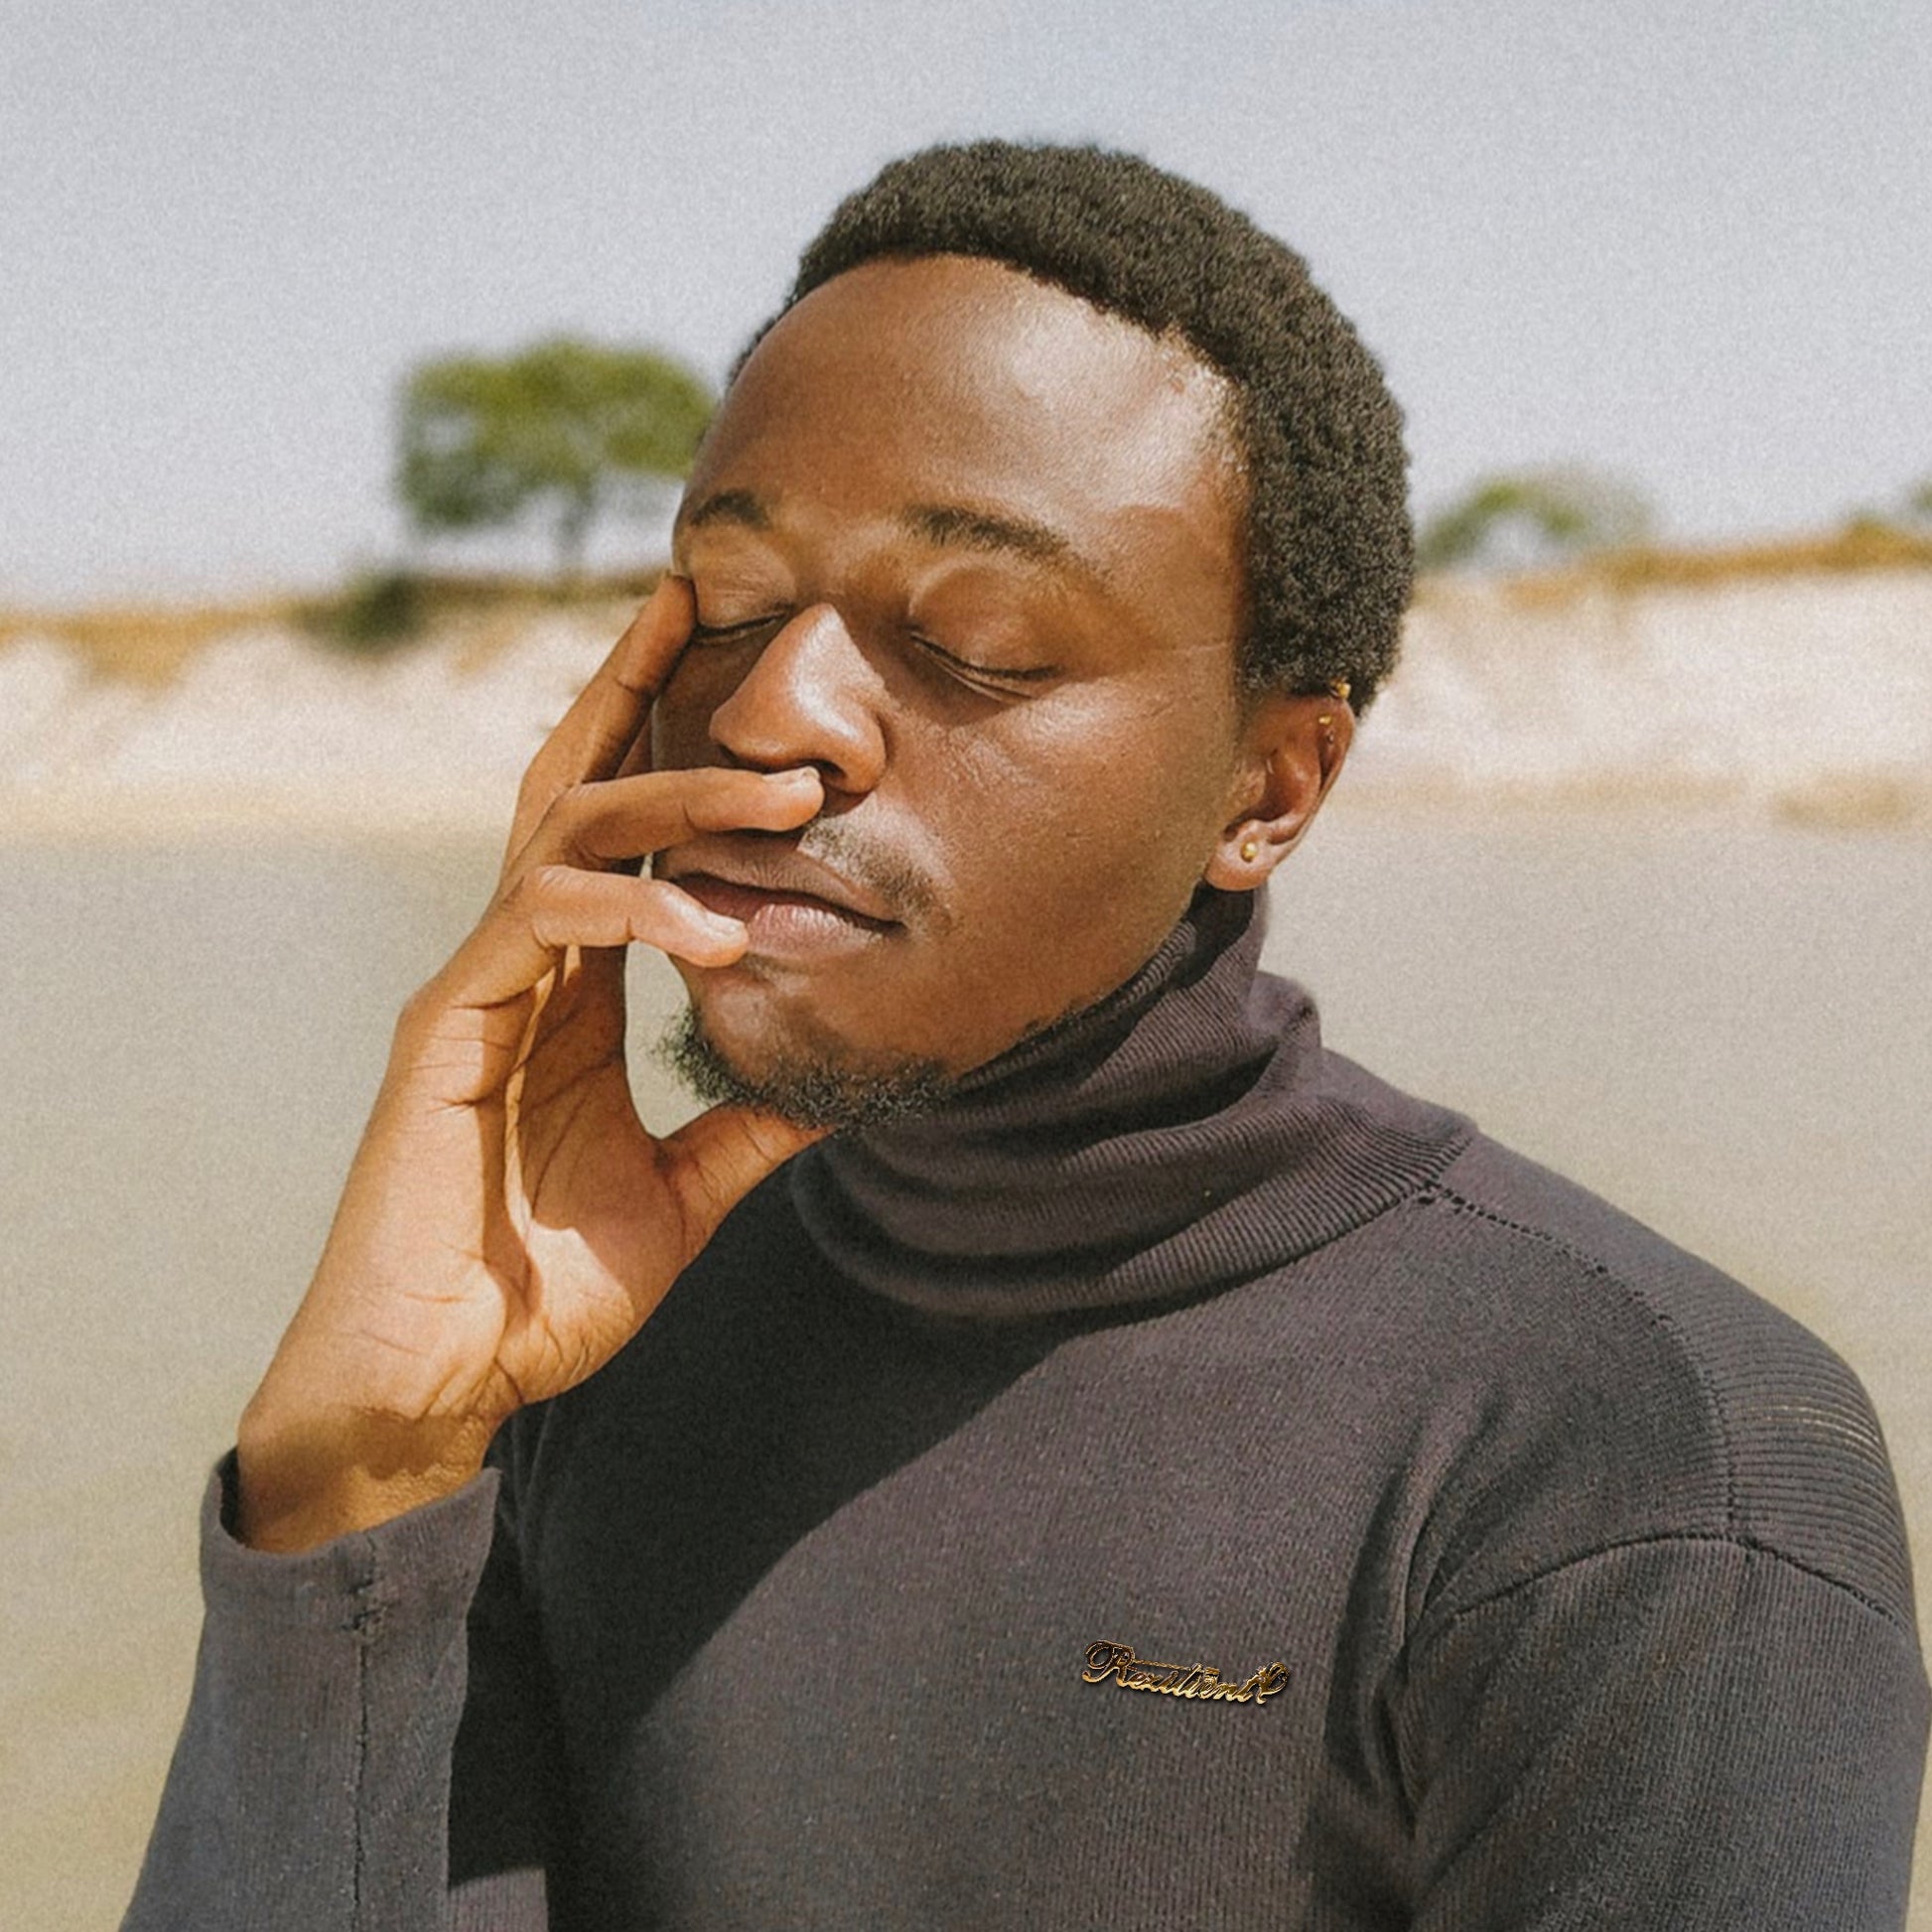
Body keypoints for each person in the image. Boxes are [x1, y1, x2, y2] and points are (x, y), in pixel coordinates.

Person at [126, 141, 1926, 1930]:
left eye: (978, 638)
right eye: (729, 607)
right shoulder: (573, 1340)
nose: (770, 715)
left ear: (1268, 785)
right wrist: (356, 1477)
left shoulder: (1635, 1476)